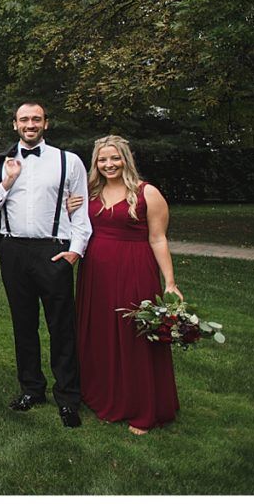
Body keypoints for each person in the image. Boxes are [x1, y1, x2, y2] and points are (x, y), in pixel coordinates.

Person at [0, 101, 91, 428]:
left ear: (46, 123)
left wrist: (75, 251)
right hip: (13, 250)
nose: (30, 124)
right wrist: (8, 181)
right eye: (24, 119)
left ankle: (68, 396)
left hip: (53, 251)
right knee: (23, 324)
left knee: (61, 326)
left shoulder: (68, 161)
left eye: (36, 119)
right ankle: (32, 388)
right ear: (15, 124)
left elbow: (80, 211)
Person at [74, 135, 180, 435]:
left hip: (135, 270)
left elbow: (158, 239)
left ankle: (143, 406)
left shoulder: (147, 193)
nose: (109, 164)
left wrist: (170, 282)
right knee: (100, 333)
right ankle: (103, 396)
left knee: (134, 334)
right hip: (95, 273)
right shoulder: (90, 193)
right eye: (102, 159)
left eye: (114, 158)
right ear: (96, 163)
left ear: (126, 159)